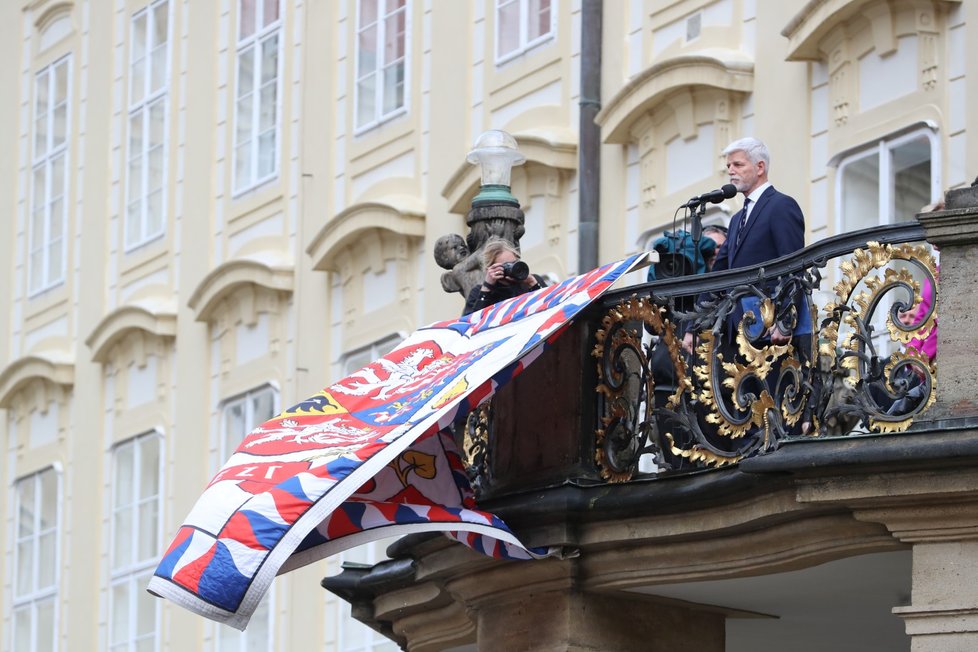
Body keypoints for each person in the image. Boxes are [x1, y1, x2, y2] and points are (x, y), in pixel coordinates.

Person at [683, 137, 806, 352]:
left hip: (771, 329)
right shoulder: (736, 218)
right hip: (738, 330)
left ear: (760, 167)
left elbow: (793, 266)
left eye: (738, 164)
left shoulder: (781, 205)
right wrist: (693, 326)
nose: (731, 170)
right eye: (728, 166)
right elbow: (719, 274)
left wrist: (786, 323)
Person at [461, 238, 546, 316]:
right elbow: (471, 323)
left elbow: (550, 307)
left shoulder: (531, 282)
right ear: (490, 269)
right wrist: (486, 288)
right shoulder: (478, 292)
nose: (512, 268)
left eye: (514, 263)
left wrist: (533, 284)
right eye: (506, 266)